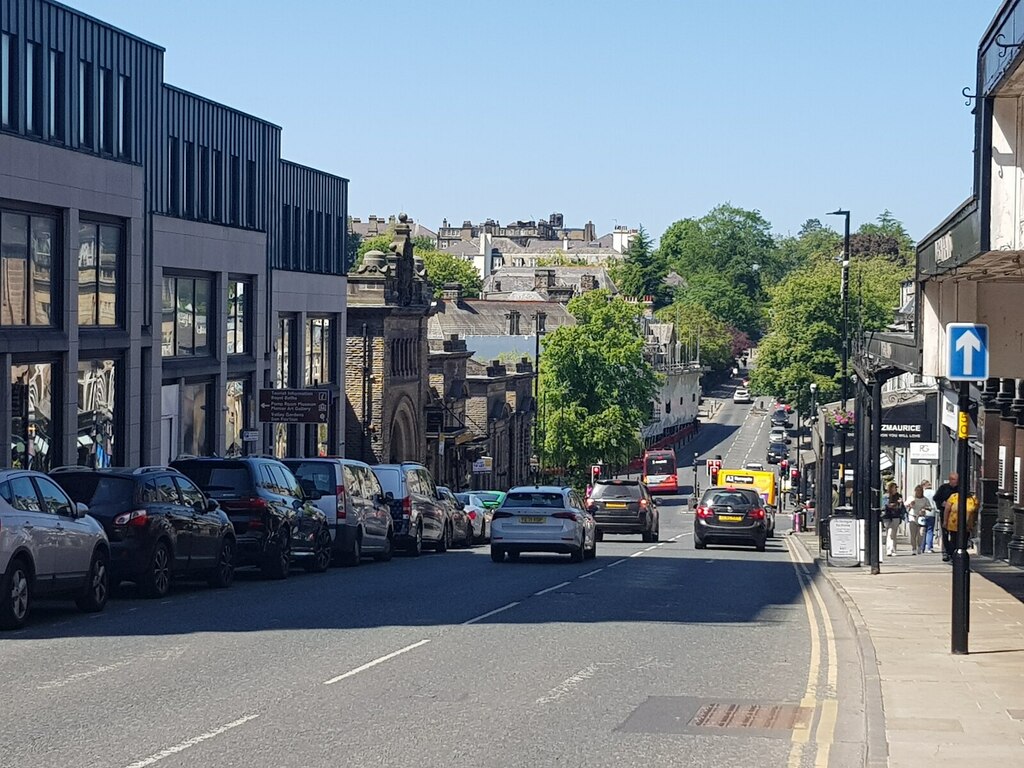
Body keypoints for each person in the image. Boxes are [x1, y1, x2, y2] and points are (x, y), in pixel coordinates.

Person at [943, 488, 979, 557]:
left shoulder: (973, 499)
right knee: (954, 540)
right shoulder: (954, 497)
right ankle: (952, 555)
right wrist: (945, 521)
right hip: (954, 524)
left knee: (964, 541)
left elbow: (975, 512)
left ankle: (960, 556)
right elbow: (947, 510)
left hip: (967, 525)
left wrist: (974, 522)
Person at [932, 472, 959, 562]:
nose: (957, 482)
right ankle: (947, 552)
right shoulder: (944, 488)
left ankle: (953, 551)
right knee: (946, 533)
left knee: (955, 534)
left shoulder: (960, 488)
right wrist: (942, 504)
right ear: (951, 480)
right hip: (945, 514)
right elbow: (936, 498)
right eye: (955, 480)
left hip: (956, 515)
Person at [907, 484, 932, 554]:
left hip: (921, 518)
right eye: (917, 491)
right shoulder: (911, 498)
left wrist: (925, 508)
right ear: (915, 491)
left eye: (920, 491)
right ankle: (913, 548)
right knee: (913, 534)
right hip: (912, 517)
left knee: (921, 533)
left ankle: (919, 546)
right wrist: (910, 505)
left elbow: (930, 507)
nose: (918, 492)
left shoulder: (925, 499)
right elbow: (905, 505)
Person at [882, 482, 905, 557]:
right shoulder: (886, 496)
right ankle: (891, 549)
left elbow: (901, 506)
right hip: (887, 516)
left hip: (896, 516)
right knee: (890, 533)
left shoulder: (899, 496)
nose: (896, 489)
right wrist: (890, 505)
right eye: (894, 487)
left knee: (892, 533)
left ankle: (891, 549)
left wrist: (900, 503)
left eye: (896, 488)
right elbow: (884, 506)